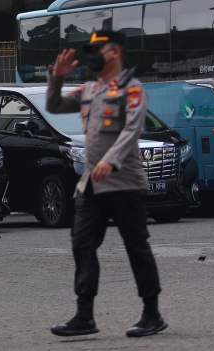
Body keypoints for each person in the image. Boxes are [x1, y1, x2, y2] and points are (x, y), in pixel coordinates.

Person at [46, 31, 167, 338]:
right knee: (82, 244)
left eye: (98, 49)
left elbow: (132, 129)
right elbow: (55, 105)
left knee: (136, 247)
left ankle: (152, 314)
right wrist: (56, 78)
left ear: (115, 52)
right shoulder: (90, 89)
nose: (92, 55)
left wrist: (110, 159)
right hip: (91, 184)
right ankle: (84, 315)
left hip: (124, 181)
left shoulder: (132, 88)